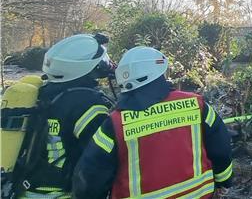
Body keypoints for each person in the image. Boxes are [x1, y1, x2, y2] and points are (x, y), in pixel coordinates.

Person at [72, 46, 233, 199]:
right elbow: (221, 148)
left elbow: (91, 176)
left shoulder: (115, 123)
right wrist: (223, 182)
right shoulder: (196, 104)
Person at [14, 34, 115, 199]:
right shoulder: (88, 104)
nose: (104, 65)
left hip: (26, 189)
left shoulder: (43, 93)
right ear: (82, 68)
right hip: (60, 193)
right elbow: (99, 161)